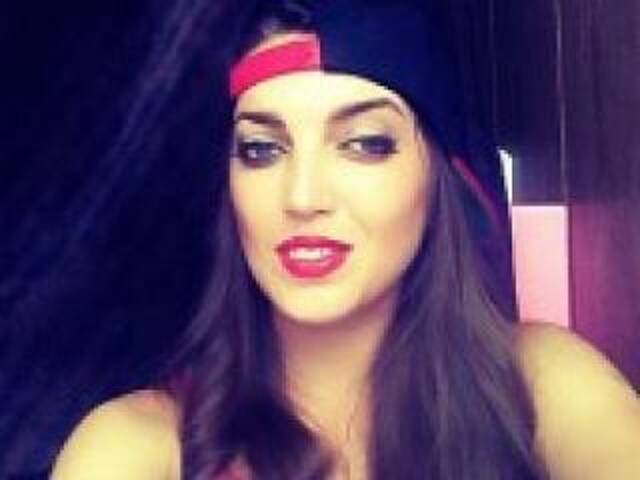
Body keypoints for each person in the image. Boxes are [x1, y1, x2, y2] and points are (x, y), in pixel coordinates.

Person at [51, 1, 640, 479]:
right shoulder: (139, 445)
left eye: (365, 144)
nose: (303, 196)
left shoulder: (541, 382)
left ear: (441, 179)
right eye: (262, 149)